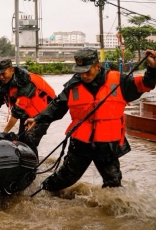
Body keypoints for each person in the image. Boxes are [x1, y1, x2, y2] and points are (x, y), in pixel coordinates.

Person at [25, 48, 156, 192]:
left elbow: (145, 84)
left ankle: (111, 211)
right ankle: (43, 192)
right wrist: (37, 119)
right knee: (66, 177)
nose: (84, 75)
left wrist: (152, 67)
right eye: (81, 71)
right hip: (81, 143)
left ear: (97, 66)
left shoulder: (119, 80)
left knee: (113, 183)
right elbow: (56, 106)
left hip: (107, 143)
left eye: (87, 71)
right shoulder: (72, 86)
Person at [0, 59, 56, 155]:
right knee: (21, 140)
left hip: (43, 113)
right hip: (27, 113)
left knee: (29, 140)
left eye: (3, 73)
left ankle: (33, 167)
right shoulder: (7, 81)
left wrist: (4, 133)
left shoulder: (26, 83)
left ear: (12, 70)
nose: (1, 77)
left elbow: (16, 113)